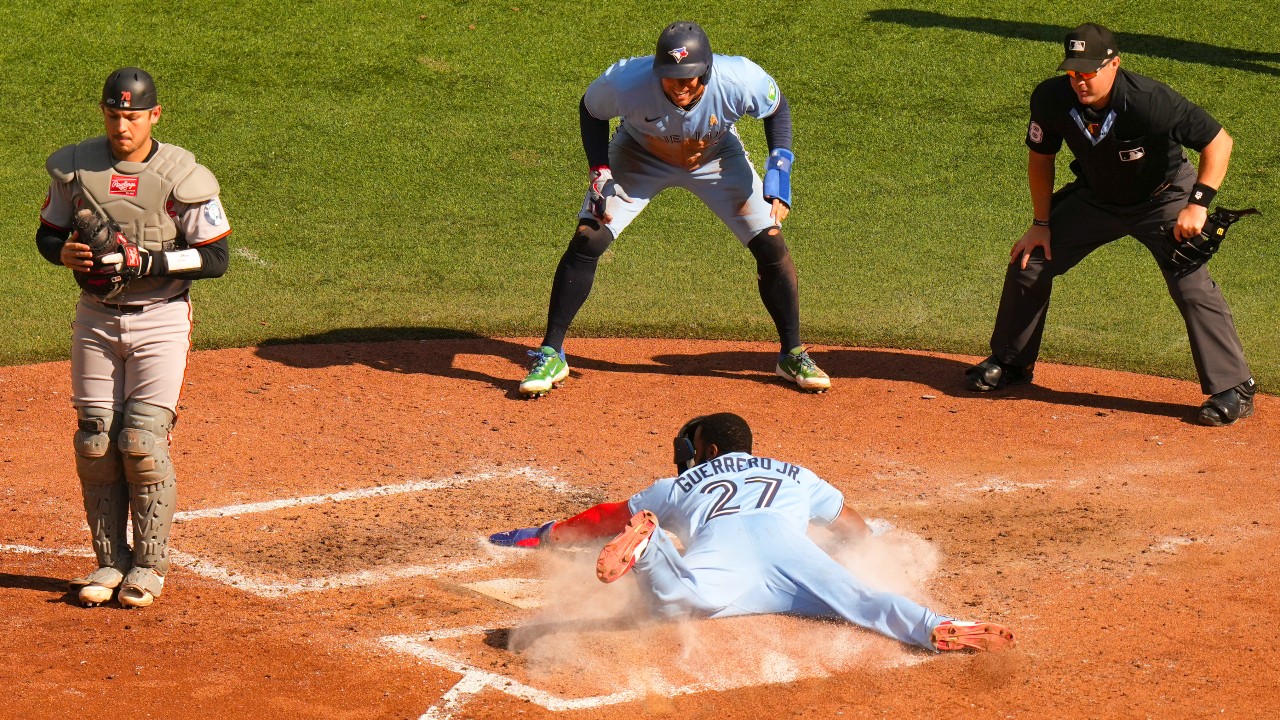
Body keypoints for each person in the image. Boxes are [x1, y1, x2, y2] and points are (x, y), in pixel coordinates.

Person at [490, 413, 1015, 653]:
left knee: (676, 603)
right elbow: (850, 524)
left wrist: (546, 534)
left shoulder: (677, 483)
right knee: (863, 599)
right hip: (791, 554)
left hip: (726, 554)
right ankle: (937, 624)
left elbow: (604, 518)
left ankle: (649, 552)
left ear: (712, 450)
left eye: (695, 444)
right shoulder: (793, 472)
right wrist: (865, 543)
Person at [519, 21, 830, 397]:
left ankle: (792, 353)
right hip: (640, 155)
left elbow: (776, 108)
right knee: (589, 238)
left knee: (771, 242)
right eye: (671, 79)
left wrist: (778, 175)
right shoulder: (625, 81)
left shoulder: (740, 79)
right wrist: (599, 169)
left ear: (707, 70)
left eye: (689, 78)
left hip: (715, 157)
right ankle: (551, 352)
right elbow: (591, 109)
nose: (680, 87)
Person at [966, 23, 1256, 426]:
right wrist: (1040, 223)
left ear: (1113, 64)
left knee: (1189, 282)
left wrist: (1198, 205)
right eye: (1073, 71)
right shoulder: (1052, 98)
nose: (1079, 80)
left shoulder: (1149, 100)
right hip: (1096, 199)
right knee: (1030, 262)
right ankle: (1012, 362)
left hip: (1164, 196)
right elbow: (1040, 159)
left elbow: (1219, 142)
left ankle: (1234, 387)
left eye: (1088, 72)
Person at [36, 67, 232, 608]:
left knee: (142, 442)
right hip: (96, 317)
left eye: (133, 115)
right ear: (103, 112)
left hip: (160, 317)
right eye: (114, 114)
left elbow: (216, 257)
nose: (123, 126)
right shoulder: (75, 167)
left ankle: (149, 566)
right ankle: (109, 561)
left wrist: (149, 260)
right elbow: (49, 235)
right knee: (96, 440)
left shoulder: (182, 174)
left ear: (154, 116)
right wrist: (64, 254)